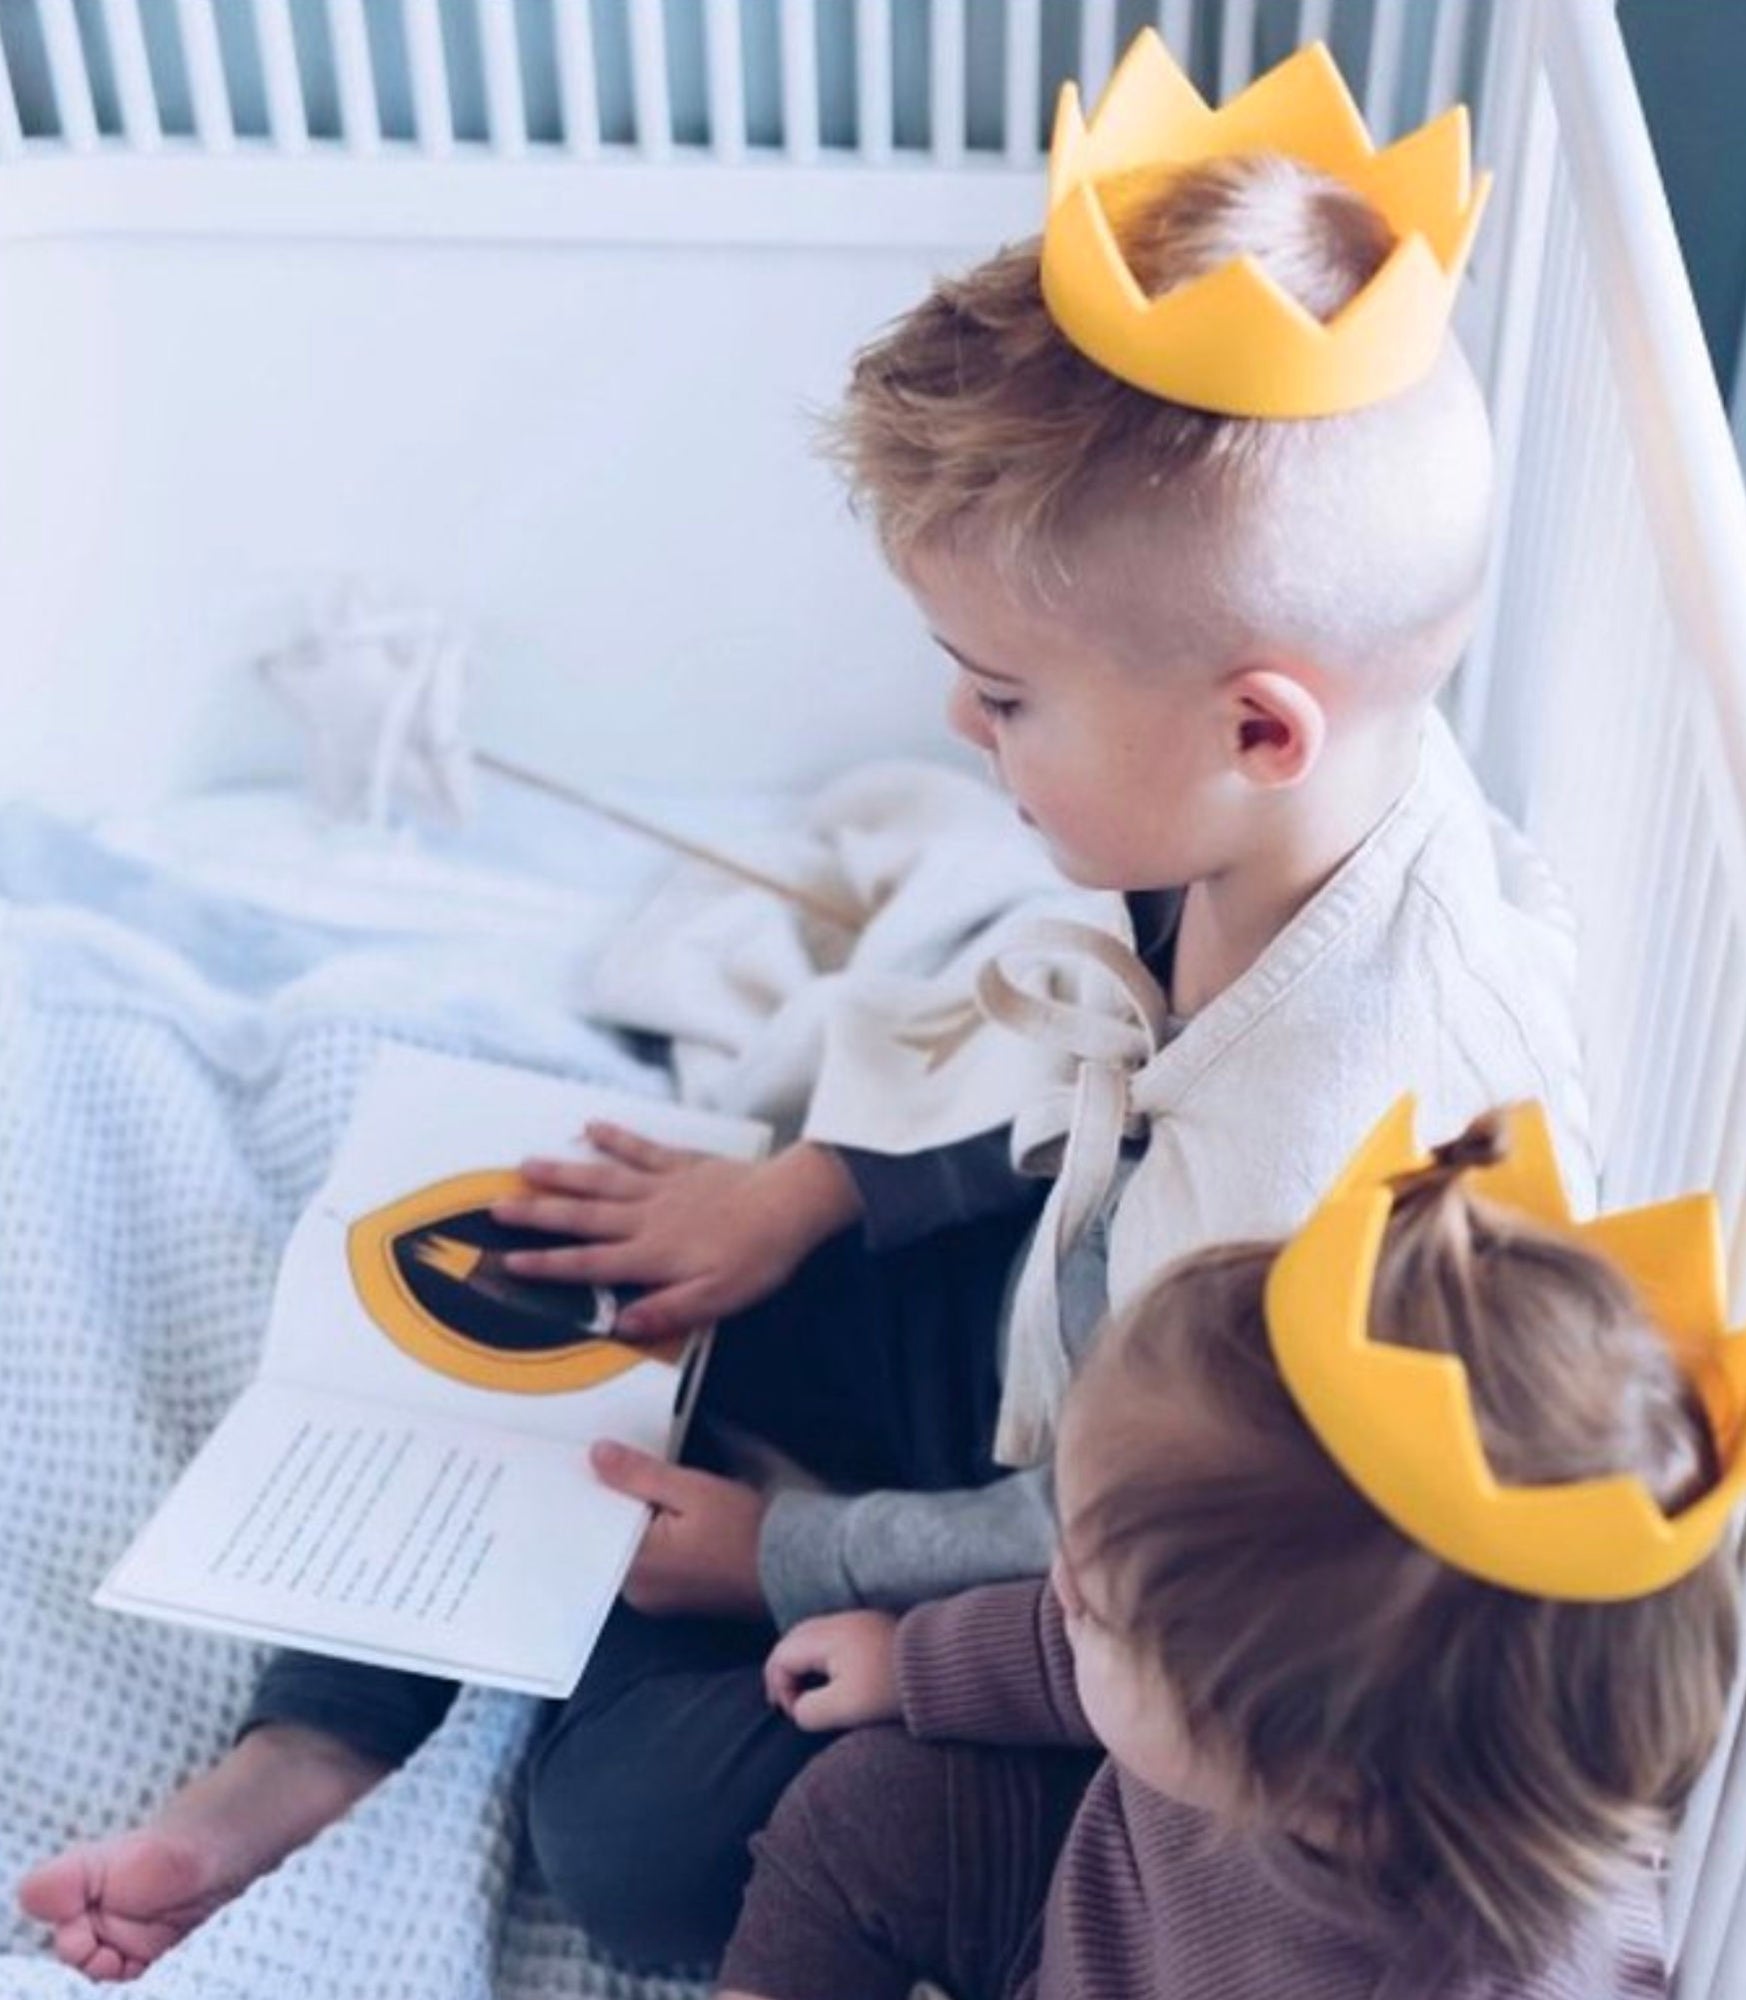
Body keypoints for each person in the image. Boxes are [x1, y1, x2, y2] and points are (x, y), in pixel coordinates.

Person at [19, 34, 1586, 1980]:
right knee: (563, 1260)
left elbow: (1133, 1564)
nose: (958, 727)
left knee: (640, 1835)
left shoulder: (1347, 1157)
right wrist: (812, 1190)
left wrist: (790, 1554)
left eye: (1004, 698)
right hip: (1042, 1329)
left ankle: (583, 1570)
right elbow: (1074, 1091)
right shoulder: (1276, 815)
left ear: (1256, 727)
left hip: (1119, 1583)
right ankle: (310, 1739)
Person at [714, 1104, 1746, 2000]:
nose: (1056, 1586)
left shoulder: (1481, 1976)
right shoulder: (1298, 1713)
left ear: (1302, 1772)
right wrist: (913, 1658)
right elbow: (1069, 1644)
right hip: (1088, 1914)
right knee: (867, 1806)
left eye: (1094, 1604)